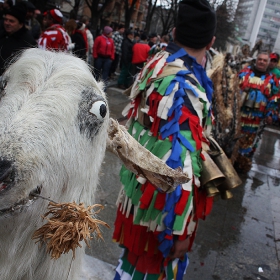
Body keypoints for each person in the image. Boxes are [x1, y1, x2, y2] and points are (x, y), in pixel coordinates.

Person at [112, 0, 217, 279]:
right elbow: (180, 165)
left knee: (133, 264)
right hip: (161, 211)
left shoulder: (157, 64)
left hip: (141, 192)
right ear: (211, 41)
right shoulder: (184, 87)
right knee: (154, 270)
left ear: (173, 33)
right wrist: (179, 231)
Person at [235, 52, 279, 173]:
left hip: (256, 119)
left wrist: (270, 114)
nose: (261, 62)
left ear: (268, 62)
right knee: (234, 139)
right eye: (260, 59)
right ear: (256, 60)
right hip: (239, 116)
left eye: (265, 60)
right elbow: (233, 90)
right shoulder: (244, 73)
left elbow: (274, 98)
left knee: (249, 143)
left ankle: (242, 166)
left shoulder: (272, 80)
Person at [0, 3, 36, 76]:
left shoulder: (28, 42)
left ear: (21, 24)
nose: (7, 23)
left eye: (11, 21)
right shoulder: (2, 34)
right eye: (6, 20)